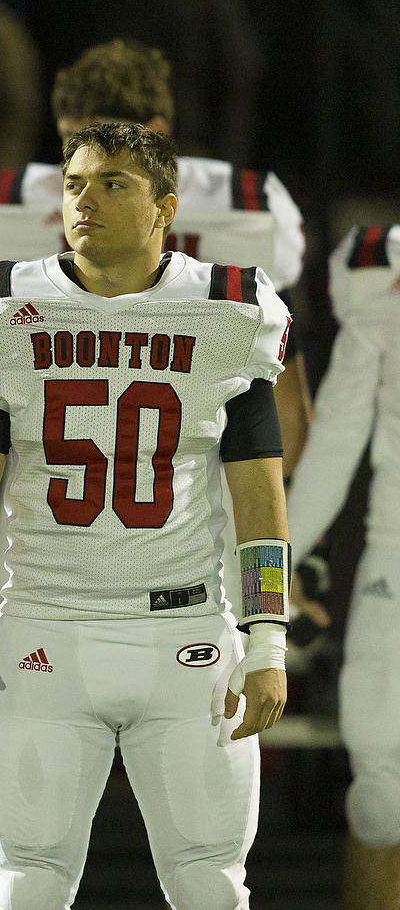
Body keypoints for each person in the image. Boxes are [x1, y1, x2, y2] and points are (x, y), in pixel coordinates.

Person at [0, 40, 313, 881]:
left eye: (113, 183)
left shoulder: (227, 310)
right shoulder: (1, 309)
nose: (85, 200)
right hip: (47, 624)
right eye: (76, 183)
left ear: (165, 206)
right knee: (27, 882)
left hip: (187, 632)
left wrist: (266, 636)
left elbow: (261, 499)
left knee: (209, 882)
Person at [286, 224, 400, 910]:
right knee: (380, 797)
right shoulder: (379, 265)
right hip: (396, 548)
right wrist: (270, 574)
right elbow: (337, 435)